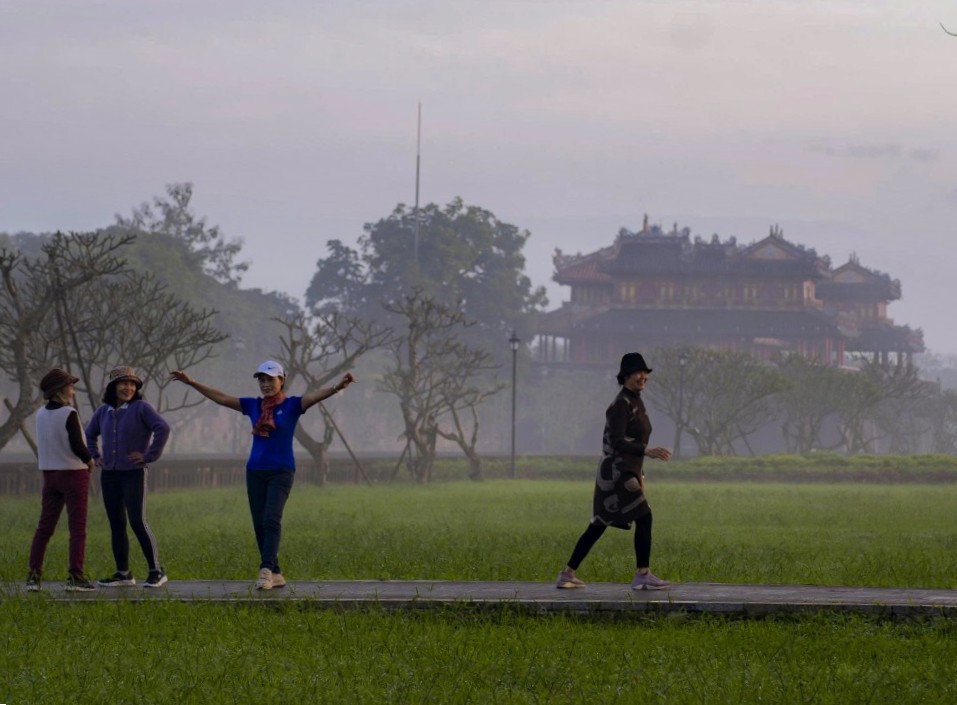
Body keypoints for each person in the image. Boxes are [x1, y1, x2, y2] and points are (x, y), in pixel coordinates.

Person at [170, 361, 356, 590]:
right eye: (262, 380)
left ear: (282, 380)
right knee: (259, 524)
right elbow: (222, 397)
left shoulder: (293, 405)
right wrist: (192, 382)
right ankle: (276, 573)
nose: (266, 384)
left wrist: (338, 386)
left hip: (281, 471)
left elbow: (315, 396)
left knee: (271, 519)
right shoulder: (253, 406)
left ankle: (266, 570)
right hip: (255, 471)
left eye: (270, 379)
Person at [556, 352, 672, 590]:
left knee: (599, 524)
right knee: (644, 516)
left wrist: (640, 472)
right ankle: (643, 574)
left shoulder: (635, 401)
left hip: (626, 472)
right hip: (617, 474)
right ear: (626, 376)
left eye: (645, 373)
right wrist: (646, 451)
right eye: (637, 373)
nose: (642, 377)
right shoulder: (620, 405)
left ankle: (567, 574)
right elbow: (617, 441)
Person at [85, 366, 170, 588]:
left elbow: (162, 427)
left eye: (133, 384)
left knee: (137, 521)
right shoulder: (103, 411)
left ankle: (156, 570)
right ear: (113, 387)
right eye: (123, 383)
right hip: (110, 475)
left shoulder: (141, 408)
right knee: (116, 524)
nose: (128, 387)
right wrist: (95, 456)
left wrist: (149, 455)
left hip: (133, 473)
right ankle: (123, 574)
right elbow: (89, 433)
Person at [27, 369, 97, 592]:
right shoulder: (69, 413)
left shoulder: (40, 414)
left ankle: (33, 576)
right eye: (70, 386)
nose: (72, 390)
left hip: (50, 475)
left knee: (44, 528)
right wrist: (90, 460)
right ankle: (75, 576)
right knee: (77, 528)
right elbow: (77, 445)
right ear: (59, 391)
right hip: (73, 474)